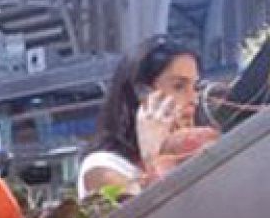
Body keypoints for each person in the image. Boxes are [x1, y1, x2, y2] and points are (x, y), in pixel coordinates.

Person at [79, 37, 201, 199]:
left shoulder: (186, 156)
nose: (194, 99)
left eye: (195, 87)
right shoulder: (101, 167)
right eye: (179, 86)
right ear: (141, 95)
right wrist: (153, 156)